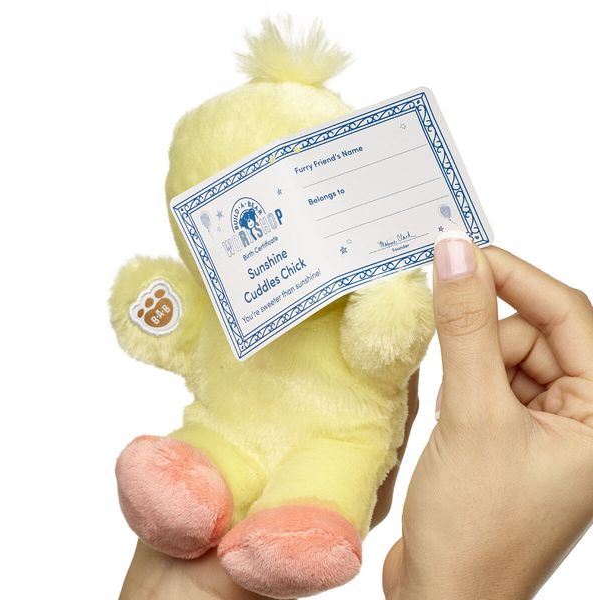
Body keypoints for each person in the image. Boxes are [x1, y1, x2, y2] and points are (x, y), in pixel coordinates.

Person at [119, 239, 593, 600]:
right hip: (227, 423)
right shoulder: (227, 296)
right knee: (208, 455)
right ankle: (188, 490)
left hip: (336, 439)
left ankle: (306, 519)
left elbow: (385, 342)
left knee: (331, 470)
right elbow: (177, 321)